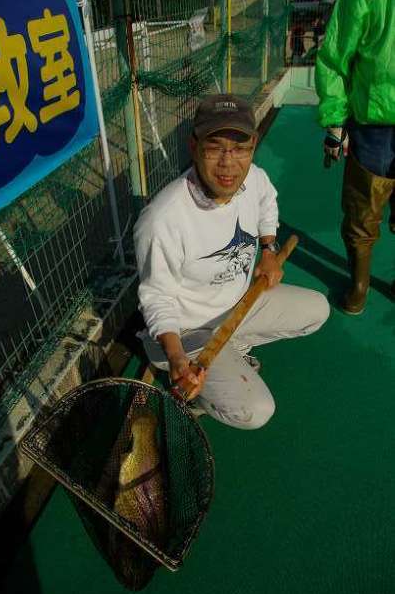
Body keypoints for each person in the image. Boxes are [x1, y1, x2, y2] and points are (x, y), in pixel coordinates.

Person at [134, 94, 330, 430]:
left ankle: (232, 349)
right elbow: (156, 297)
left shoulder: (254, 178)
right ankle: (198, 393)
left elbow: (267, 202)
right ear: (194, 146)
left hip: (238, 307)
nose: (228, 163)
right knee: (255, 412)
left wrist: (269, 249)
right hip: (188, 333)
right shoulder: (162, 219)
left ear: (253, 146)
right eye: (215, 148)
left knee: (318, 310)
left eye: (240, 148)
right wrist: (177, 356)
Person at [315, 0, 395, 314]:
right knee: (363, 208)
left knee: (363, 211)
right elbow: (336, 56)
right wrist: (335, 121)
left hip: (374, 118)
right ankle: (360, 287)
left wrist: (336, 124)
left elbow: (336, 55)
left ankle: (358, 290)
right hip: (374, 123)